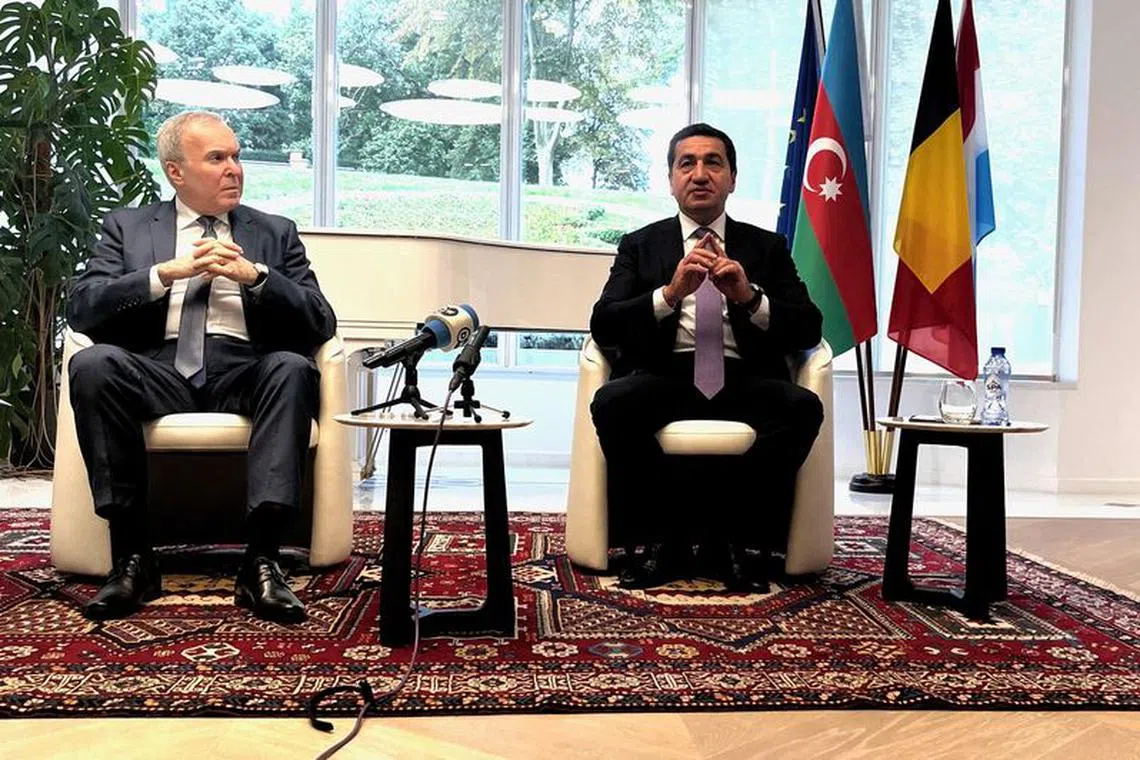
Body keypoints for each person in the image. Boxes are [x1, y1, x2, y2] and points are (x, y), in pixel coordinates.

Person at [66, 111, 337, 623]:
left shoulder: (274, 233)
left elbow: (321, 320)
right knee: (94, 364)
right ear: (176, 171)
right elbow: (82, 307)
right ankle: (132, 557)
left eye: (236, 156)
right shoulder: (126, 227)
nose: (234, 168)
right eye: (217, 158)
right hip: (158, 371)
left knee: (291, 368)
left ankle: (262, 562)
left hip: (243, 372)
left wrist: (257, 277)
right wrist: (162, 274)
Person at [589, 123, 824, 591]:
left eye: (713, 162)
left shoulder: (767, 247)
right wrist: (670, 294)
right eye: (687, 163)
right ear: (671, 178)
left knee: (802, 410)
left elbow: (808, 327)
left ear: (732, 178)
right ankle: (667, 538)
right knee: (612, 403)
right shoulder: (640, 244)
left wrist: (750, 298)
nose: (700, 174)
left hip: (742, 376)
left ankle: (730, 537)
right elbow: (605, 323)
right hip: (666, 375)